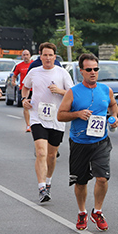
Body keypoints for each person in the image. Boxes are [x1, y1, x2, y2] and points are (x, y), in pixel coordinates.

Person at [57, 53, 118, 230]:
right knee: (81, 181)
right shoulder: (73, 92)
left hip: (101, 141)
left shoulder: (106, 90)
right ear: (82, 71)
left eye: (96, 69)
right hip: (79, 142)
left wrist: (114, 116)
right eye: (89, 69)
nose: (93, 72)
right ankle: (82, 212)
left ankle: (97, 211)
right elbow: (60, 115)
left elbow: (113, 105)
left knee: (102, 178)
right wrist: (77, 114)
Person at [22, 43, 73, 203]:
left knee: (51, 155)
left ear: (54, 56)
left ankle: (48, 181)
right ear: (40, 56)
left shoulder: (62, 73)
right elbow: (25, 87)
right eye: (45, 55)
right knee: (41, 153)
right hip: (38, 117)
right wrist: (24, 99)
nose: (48, 58)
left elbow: (72, 93)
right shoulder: (34, 72)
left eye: (51, 55)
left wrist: (60, 91)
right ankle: (41, 187)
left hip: (57, 119)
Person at [10, 49, 33, 131]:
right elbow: (14, 75)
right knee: (25, 106)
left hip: (34, 89)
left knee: (36, 106)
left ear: (30, 55)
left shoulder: (34, 64)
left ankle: (36, 123)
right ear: (22, 56)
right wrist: (13, 81)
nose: (26, 56)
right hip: (23, 89)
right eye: (24, 55)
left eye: (27, 54)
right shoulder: (19, 65)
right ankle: (28, 125)